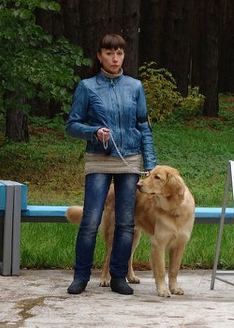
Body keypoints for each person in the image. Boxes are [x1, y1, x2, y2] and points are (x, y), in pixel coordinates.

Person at [65, 33, 157, 295]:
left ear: (124, 56)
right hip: (98, 160)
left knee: (126, 223)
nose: (115, 58)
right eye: (109, 53)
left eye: (119, 53)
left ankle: (119, 276)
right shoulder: (87, 87)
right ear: (100, 56)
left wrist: (150, 163)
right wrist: (94, 132)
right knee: (91, 221)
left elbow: (143, 127)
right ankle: (80, 277)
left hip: (129, 161)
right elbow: (72, 125)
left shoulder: (135, 86)